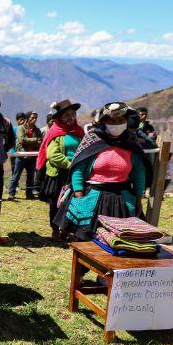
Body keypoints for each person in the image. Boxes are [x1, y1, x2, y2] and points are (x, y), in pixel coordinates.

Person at [55, 102, 152, 241]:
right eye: (112, 120)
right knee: (87, 242)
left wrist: (137, 199)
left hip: (122, 199)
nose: (117, 123)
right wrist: (79, 195)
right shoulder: (93, 139)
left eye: (121, 120)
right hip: (92, 197)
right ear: (104, 121)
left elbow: (138, 172)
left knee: (120, 241)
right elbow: (79, 167)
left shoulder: (131, 141)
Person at [36, 100, 84, 240]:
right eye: (66, 114)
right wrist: (69, 164)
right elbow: (52, 154)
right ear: (59, 117)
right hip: (58, 173)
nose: (70, 117)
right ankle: (55, 229)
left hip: (75, 173)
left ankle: (67, 229)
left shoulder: (79, 131)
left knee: (72, 202)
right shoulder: (55, 132)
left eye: (72, 114)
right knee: (56, 203)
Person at [9, 111, 42, 200]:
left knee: (31, 177)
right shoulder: (21, 128)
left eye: (35, 118)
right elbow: (21, 140)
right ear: (27, 118)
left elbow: (40, 142)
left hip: (32, 157)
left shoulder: (37, 130)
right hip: (21, 156)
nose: (34, 119)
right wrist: (34, 140)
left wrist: (31, 141)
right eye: (32, 117)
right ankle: (11, 193)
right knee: (16, 176)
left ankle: (29, 194)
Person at [8, 112, 27, 184]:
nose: (22, 121)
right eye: (20, 120)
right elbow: (11, 140)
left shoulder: (26, 129)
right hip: (14, 152)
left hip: (23, 152)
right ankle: (15, 185)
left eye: (23, 120)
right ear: (17, 120)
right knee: (14, 168)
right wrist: (12, 151)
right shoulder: (14, 129)